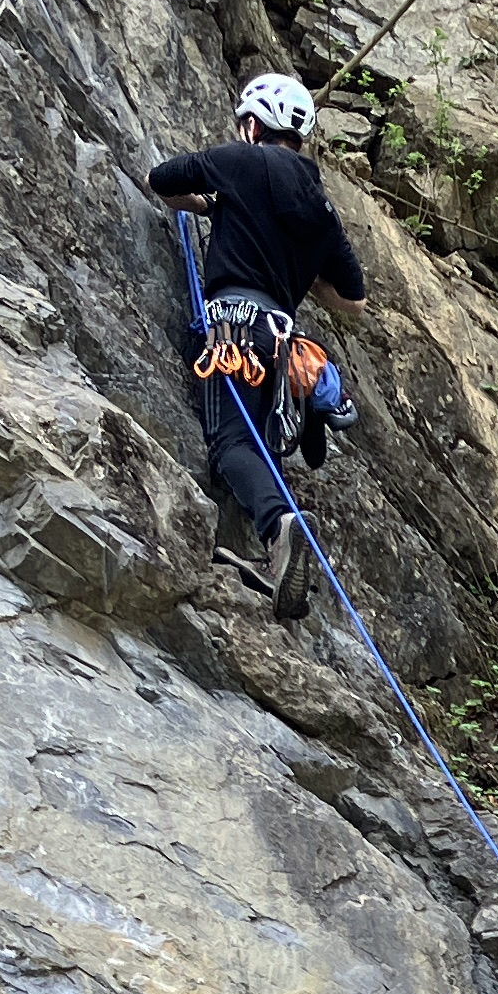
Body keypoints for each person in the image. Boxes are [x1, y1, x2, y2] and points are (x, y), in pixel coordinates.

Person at [142, 73, 370, 622]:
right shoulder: (320, 206)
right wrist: (306, 275)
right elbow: (354, 299)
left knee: (229, 446)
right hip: (280, 340)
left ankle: (277, 528)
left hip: (232, 325)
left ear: (252, 126)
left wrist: (214, 204)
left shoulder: (238, 162)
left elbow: (162, 179)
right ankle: (271, 550)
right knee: (261, 447)